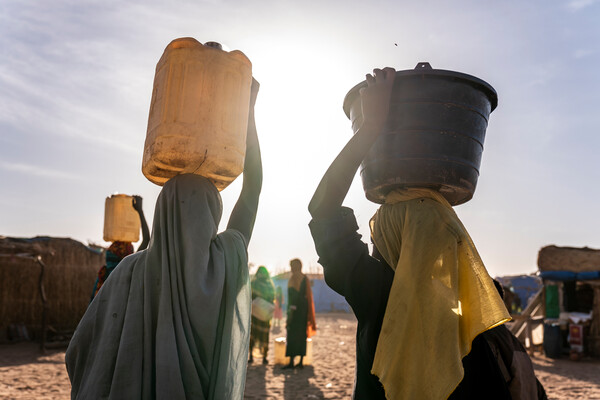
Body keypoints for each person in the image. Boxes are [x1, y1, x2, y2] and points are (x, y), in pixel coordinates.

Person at [308, 67, 545, 399]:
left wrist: (370, 128)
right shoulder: (472, 318)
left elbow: (323, 208)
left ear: (394, 235)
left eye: (385, 223)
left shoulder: (377, 295)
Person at [66, 78, 262, 400]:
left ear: (161, 215)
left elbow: (79, 350)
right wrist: (248, 111)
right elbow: (252, 190)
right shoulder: (225, 264)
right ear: (213, 214)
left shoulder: (129, 272)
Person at [90, 195, 150, 301]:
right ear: (127, 253)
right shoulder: (127, 269)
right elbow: (146, 239)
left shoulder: (105, 272)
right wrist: (140, 211)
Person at [283, 258, 316, 369]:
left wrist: (291, 313)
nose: (291, 268)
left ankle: (292, 362)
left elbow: (294, 297)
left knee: (292, 335)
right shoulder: (305, 278)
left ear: (296, 266)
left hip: (295, 311)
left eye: (292, 266)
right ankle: (301, 362)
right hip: (303, 311)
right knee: (302, 335)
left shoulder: (294, 278)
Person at [249, 266, 275, 364]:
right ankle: (259, 357)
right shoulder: (269, 284)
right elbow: (272, 297)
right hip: (261, 315)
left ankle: (257, 357)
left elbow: (250, 296)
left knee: (257, 334)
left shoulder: (254, 283)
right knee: (261, 335)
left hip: (257, 313)